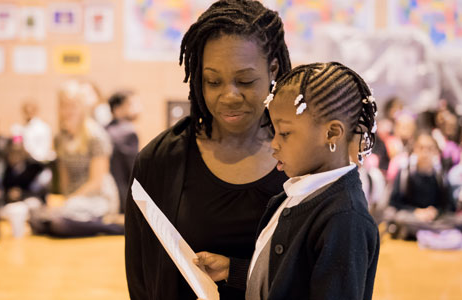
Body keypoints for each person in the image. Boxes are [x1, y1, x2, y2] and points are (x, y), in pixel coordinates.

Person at [125, 1, 292, 299]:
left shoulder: (303, 158)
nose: (229, 96)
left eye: (245, 80)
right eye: (213, 81)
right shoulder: (160, 161)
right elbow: (141, 278)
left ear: (273, 70)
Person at [198, 62, 381, 299]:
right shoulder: (295, 195)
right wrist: (233, 270)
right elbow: (290, 280)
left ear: (332, 133)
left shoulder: (345, 220)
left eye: (284, 133)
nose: (274, 143)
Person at [28, 80, 122, 237]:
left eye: (72, 105)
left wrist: (68, 202)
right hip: (73, 201)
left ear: (81, 107)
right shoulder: (60, 138)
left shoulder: (96, 136)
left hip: (98, 198)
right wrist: (62, 200)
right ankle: (66, 222)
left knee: (61, 219)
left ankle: (109, 227)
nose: (68, 111)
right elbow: (64, 178)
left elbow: (97, 182)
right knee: (35, 215)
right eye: (63, 106)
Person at [388, 133, 457, 239]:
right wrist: (416, 212)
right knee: (400, 218)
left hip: (434, 220)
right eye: (421, 148)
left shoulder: (441, 176)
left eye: (430, 148)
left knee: (455, 220)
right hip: (412, 218)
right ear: (415, 149)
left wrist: (435, 212)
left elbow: (450, 207)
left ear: (436, 152)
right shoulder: (404, 173)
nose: (425, 153)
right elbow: (394, 204)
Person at [105, 90, 140, 212]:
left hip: (106, 194)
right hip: (122, 197)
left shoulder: (104, 129)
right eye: (131, 104)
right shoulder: (128, 132)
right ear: (117, 109)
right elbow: (134, 170)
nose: (138, 108)